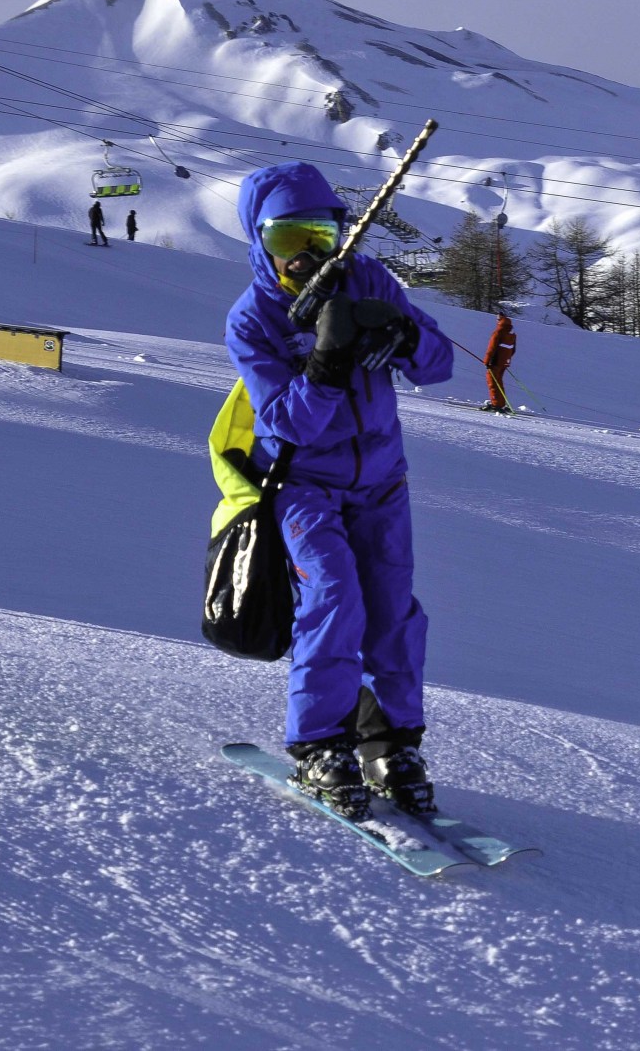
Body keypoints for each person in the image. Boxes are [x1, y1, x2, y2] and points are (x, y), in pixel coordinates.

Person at [223, 160, 454, 821]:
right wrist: (324, 362)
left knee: (391, 609)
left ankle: (391, 744)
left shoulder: (367, 278)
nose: (304, 255)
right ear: (259, 240)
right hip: (303, 487)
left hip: (382, 483)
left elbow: (439, 365)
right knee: (332, 596)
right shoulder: (253, 320)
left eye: (319, 236)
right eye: (285, 239)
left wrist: (404, 333)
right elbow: (287, 423)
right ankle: (321, 742)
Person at [482, 310, 516, 413]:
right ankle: (500, 403)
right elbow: (513, 350)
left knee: (492, 382)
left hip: (495, 362)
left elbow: (491, 348)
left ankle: (496, 405)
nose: (497, 321)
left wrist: (487, 361)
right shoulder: (512, 333)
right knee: (499, 382)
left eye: (497, 319)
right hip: (504, 362)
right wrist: (505, 360)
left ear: (500, 319)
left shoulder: (498, 332)